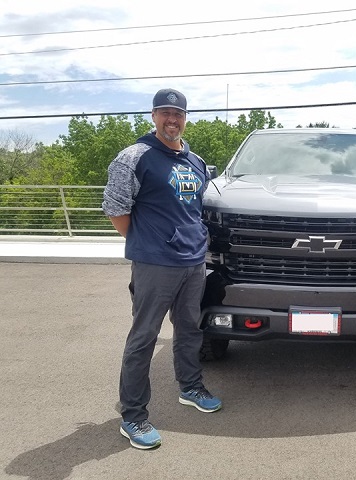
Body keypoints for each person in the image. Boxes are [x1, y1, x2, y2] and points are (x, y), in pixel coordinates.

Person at [102, 88, 220, 450]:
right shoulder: (134, 157)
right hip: (155, 264)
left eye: (178, 114)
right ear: (153, 116)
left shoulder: (195, 161)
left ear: (185, 118)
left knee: (189, 329)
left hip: (192, 263)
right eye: (165, 113)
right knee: (144, 338)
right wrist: (148, 244)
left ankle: (190, 387)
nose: (172, 120)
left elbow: (194, 208)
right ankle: (133, 416)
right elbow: (116, 209)